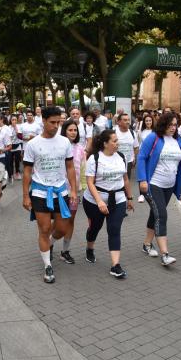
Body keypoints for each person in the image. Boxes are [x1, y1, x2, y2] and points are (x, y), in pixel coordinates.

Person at [22, 107, 77, 283]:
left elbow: (70, 167)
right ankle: (47, 266)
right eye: (52, 122)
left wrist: (74, 190)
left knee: (62, 228)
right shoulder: (33, 144)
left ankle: (50, 245)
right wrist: (25, 195)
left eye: (58, 122)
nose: (55, 126)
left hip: (61, 191)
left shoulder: (64, 142)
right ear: (43, 121)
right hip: (40, 192)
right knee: (44, 229)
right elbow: (27, 171)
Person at [137, 112, 181, 266]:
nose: (173, 128)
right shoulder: (154, 138)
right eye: (170, 125)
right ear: (163, 124)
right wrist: (142, 179)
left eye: (175, 125)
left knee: (155, 213)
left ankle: (147, 244)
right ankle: (165, 254)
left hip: (169, 186)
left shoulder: (178, 141)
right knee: (161, 215)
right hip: (153, 184)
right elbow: (141, 157)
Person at [83, 130, 134, 278]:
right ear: (105, 143)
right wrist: (99, 201)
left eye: (118, 140)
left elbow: (125, 179)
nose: (118, 143)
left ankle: (115, 265)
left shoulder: (121, 157)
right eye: (114, 141)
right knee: (95, 227)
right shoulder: (95, 158)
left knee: (114, 229)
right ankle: (90, 248)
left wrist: (129, 198)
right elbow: (90, 182)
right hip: (94, 201)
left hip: (117, 199)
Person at [59, 120, 86, 264]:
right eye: (70, 130)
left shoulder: (80, 149)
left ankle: (65, 251)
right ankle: (48, 244)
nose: (73, 132)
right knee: (58, 222)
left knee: (70, 220)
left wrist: (83, 188)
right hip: (59, 190)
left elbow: (83, 170)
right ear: (64, 131)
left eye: (75, 130)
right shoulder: (58, 146)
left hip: (74, 191)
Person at [114, 113, 139, 179]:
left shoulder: (132, 133)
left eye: (128, 120)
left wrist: (134, 157)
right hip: (115, 162)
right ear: (119, 122)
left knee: (126, 182)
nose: (128, 122)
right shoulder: (114, 132)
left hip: (128, 163)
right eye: (125, 120)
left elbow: (136, 147)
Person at [138, 115, 155, 203]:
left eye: (150, 120)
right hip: (143, 154)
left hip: (152, 155)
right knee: (142, 173)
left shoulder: (155, 132)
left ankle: (149, 191)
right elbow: (139, 142)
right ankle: (141, 194)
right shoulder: (142, 131)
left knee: (150, 173)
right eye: (147, 121)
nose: (148, 122)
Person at [9, 115, 23, 180]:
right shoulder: (8, 127)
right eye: (13, 120)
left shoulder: (19, 127)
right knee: (10, 161)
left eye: (15, 120)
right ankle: (11, 173)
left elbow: (20, 136)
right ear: (10, 121)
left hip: (17, 145)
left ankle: (17, 172)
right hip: (10, 146)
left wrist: (16, 128)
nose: (14, 121)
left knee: (17, 161)